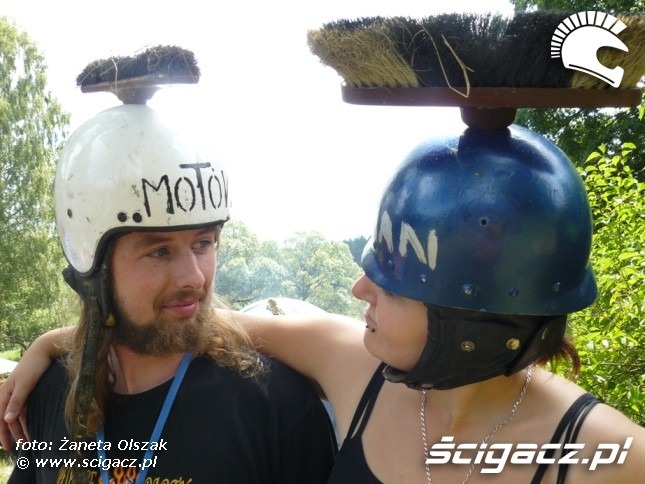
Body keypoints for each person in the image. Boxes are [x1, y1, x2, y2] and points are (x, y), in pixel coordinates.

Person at [3, 125, 645, 483]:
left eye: (390, 283)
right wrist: (57, 343)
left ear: (470, 316)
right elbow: (194, 321)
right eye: (158, 249)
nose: (359, 290)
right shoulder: (356, 367)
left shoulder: (606, 455)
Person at [2, 83, 336, 483]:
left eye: (203, 243)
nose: (194, 277)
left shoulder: (275, 406)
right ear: (94, 266)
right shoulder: (51, 393)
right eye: (159, 251)